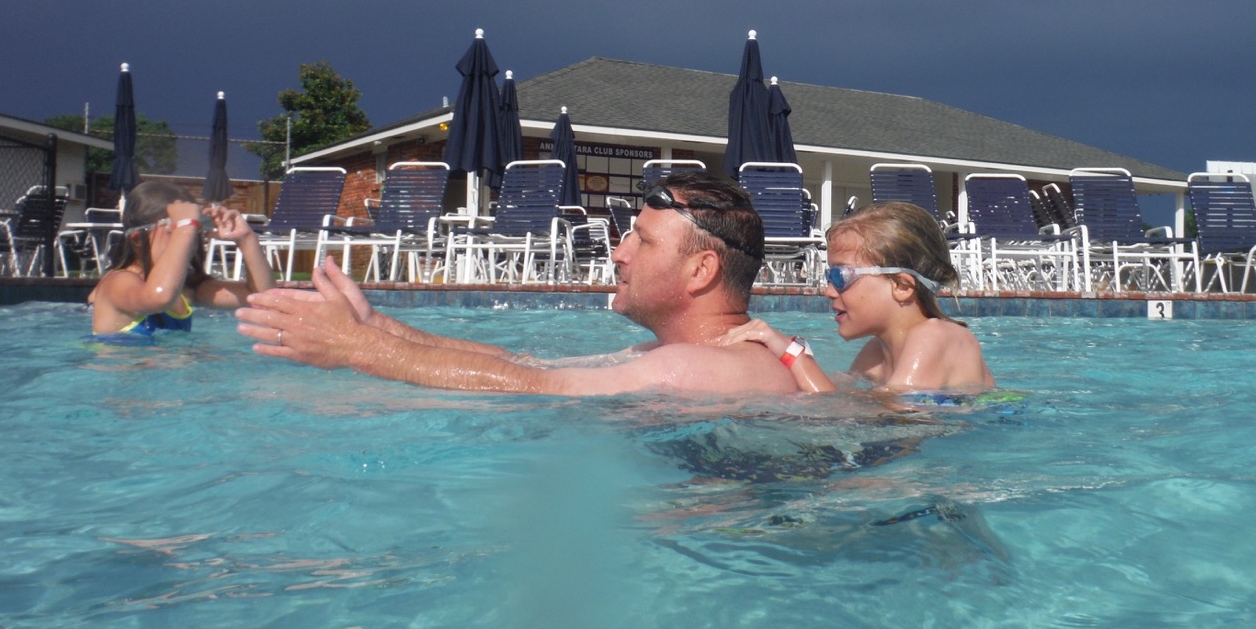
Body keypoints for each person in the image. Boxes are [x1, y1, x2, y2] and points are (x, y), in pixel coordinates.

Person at [235, 170, 801, 396]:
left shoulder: (701, 367)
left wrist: (357, 349)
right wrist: (378, 327)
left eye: (643, 242)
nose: (618, 253)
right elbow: (524, 363)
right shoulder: (669, 357)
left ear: (701, 271)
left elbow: (530, 388)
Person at [723, 201, 994, 396]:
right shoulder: (875, 352)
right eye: (829, 276)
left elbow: (893, 418)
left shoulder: (937, 336)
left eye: (841, 276)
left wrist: (793, 353)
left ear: (901, 286)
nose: (829, 291)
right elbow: (831, 400)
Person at [89, 180, 274, 339]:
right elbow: (159, 297)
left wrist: (246, 239)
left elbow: (262, 299)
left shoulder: (186, 289)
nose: (188, 241)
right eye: (175, 232)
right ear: (138, 240)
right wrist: (185, 227)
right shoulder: (117, 283)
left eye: (195, 233)